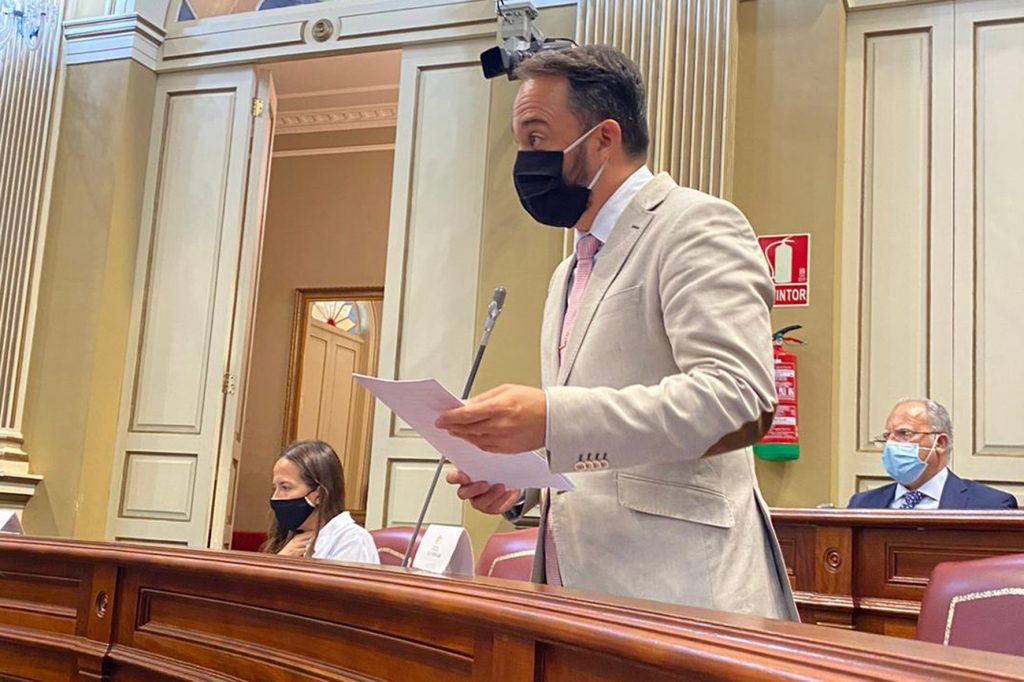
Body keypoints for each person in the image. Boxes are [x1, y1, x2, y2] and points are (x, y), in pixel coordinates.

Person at [436, 45, 797, 620]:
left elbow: (739, 398)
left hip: (680, 596)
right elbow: (599, 452)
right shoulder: (569, 268)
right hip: (578, 597)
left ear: (604, 137)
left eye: (537, 138)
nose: (525, 160)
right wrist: (520, 482)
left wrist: (552, 419)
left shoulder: (694, 224)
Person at [848, 399, 1017, 510]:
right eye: (887, 437)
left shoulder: (991, 505)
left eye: (904, 434)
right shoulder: (862, 504)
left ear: (940, 443)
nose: (891, 445)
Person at [261, 439, 380, 564]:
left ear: (319, 494)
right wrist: (280, 559)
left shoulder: (352, 540)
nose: (275, 497)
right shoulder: (288, 538)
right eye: (274, 488)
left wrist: (282, 564)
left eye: (285, 487)